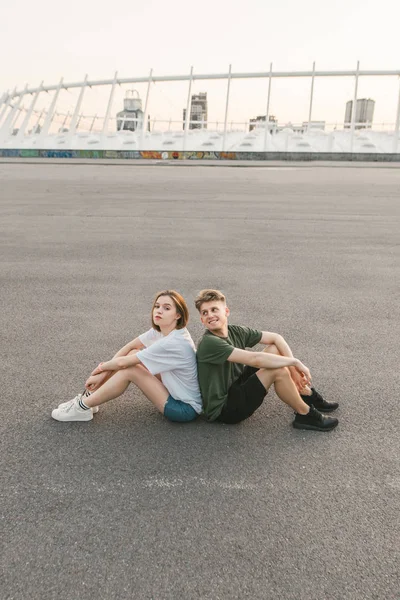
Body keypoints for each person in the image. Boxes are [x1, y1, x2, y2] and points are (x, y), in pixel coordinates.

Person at [194, 289, 339, 431]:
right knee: (278, 370)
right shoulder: (209, 343)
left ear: (226, 311)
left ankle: (305, 393)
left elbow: (276, 338)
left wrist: (294, 372)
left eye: (214, 309)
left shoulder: (234, 331)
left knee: (274, 349)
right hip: (224, 409)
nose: (210, 315)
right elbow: (255, 359)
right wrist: (294, 362)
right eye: (205, 313)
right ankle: (305, 414)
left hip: (236, 385)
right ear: (202, 320)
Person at [51, 290, 202, 423]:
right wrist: (102, 376)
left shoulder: (174, 342)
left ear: (178, 315)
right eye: (157, 306)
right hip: (174, 392)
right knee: (133, 354)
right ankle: (91, 397)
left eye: (166, 308)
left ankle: (81, 407)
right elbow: (129, 347)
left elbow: (123, 364)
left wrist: (99, 371)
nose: (159, 311)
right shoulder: (163, 330)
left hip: (184, 409)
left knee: (130, 370)